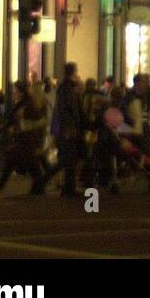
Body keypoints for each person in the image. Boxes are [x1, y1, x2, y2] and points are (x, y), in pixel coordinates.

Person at [0, 83, 51, 195]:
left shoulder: (29, 105)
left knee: (29, 162)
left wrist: (22, 127)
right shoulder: (24, 104)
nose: (13, 93)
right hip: (23, 138)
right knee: (22, 161)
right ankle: (38, 186)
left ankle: (39, 186)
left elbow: (40, 122)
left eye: (15, 91)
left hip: (27, 138)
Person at [42, 63, 86, 197]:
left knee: (68, 160)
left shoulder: (68, 88)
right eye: (76, 71)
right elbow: (64, 111)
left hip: (68, 129)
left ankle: (68, 188)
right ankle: (43, 181)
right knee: (66, 160)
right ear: (73, 72)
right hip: (67, 130)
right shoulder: (66, 89)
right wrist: (67, 128)